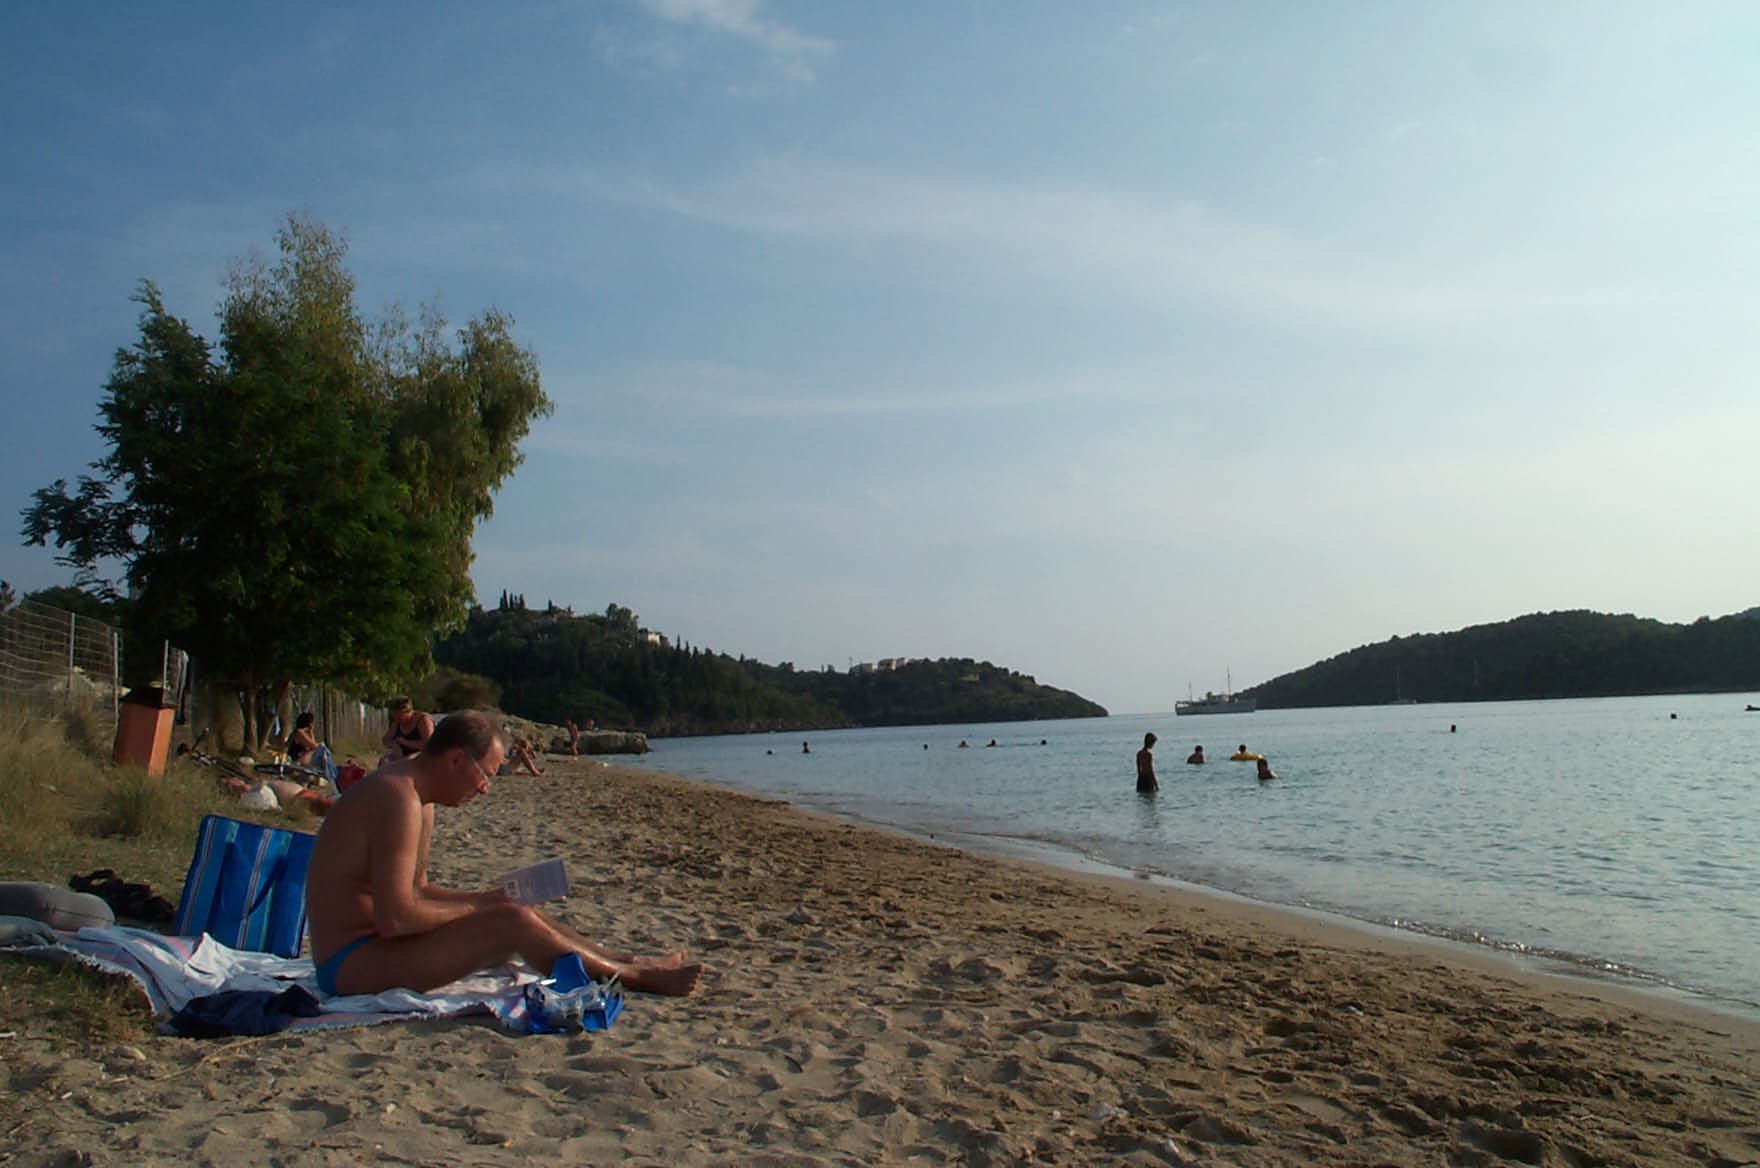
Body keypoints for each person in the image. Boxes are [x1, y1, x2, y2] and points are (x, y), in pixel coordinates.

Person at [306, 710, 701, 998]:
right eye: (486, 776)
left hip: (372, 947)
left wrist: (484, 901)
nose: (484, 790)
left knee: (513, 907)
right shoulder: (398, 798)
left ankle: (627, 960)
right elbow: (396, 917)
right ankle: (637, 980)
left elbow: (417, 890)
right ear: (456, 759)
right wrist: (481, 909)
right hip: (351, 963)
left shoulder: (417, 797)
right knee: (509, 919)